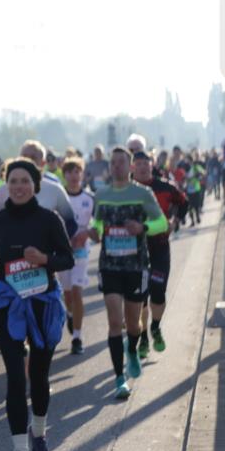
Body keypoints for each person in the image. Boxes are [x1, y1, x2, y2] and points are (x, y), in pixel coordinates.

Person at [0, 159, 73, 451]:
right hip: (9, 303)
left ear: (35, 185)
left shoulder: (49, 219)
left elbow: (67, 258)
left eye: (25, 181)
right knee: (16, 379)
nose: (19, 186)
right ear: (6, 184)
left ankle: (40, 431)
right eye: (13, 181)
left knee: (38, 375)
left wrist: (45, 259)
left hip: (43, 304)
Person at [90, 147, 169, 399]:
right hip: (110, 266)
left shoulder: (142, 193)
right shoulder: (101, 195)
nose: (116, 166)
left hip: (136, 266)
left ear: (130, 166)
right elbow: (98, 223)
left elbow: (162, 223)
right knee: (115, 322)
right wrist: (94, 231)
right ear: (109, 167)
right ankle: (119, 378)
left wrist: (142, 226)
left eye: (121, 162)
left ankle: (133, 350)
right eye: (113, 163)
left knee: (133, 324)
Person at [131, 151, 186, 359]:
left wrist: (174, 222)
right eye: (138, 163)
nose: (143, 167)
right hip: (134, 251)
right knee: (140, 297)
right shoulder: (125, 190)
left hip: (159, 246)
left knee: (157, 291)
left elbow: (183, 203)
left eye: (146, 163)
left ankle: (155, 326)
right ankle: (143, 336)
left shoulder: (164, 187)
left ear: (152, 164)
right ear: (132, 167)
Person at [0, 140, 78, 239]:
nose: (28, 160)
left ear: (43, 162)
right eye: (24, 157)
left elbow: (71, 222)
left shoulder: (54, 189)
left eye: (33, 157)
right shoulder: (4, 189)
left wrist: (54, 241)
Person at [59, 157, 97, 354]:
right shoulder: (60, 198)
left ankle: (77, 337)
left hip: (81, 251)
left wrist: (86, 234)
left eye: (77, 172)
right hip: (63, 251)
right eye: (70, 172)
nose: (74, 176)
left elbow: (97, 226)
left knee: (76, 291)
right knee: (67, 294)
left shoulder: (89, 199)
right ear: (64, 175)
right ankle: (70, 313)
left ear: (82, 174)